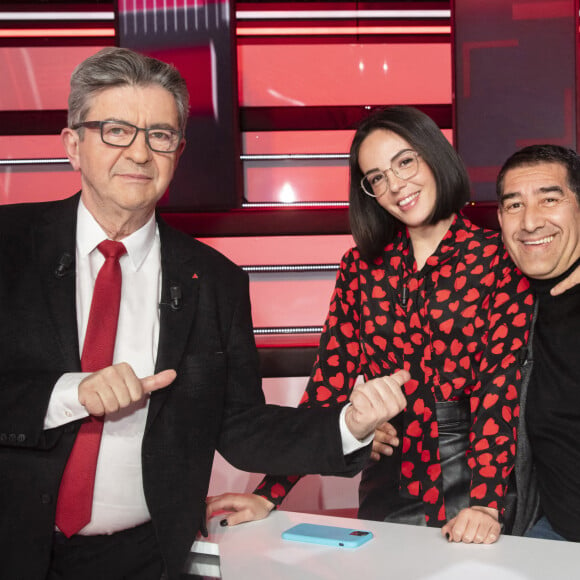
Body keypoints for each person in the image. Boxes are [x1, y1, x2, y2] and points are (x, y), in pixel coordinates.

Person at [0, 47, 411, 580]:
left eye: (160, 135)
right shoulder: (9, 245)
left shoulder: (214, 279)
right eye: (117, 130)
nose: (141, 153)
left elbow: (239, 424)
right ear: (73, 145)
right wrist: (68, 394)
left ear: (179, 150)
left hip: (147, 558)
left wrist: (347, 426)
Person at [207, 106, 534, 544]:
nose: (396, 185)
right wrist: (269, 494)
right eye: (377, 177)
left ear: (434, 156)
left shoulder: (497, 259)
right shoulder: (360, 268)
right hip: (389, 478)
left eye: (405, 161)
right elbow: (327, 387)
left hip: (473, 482)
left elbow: (502, 388)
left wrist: (487, 502)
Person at [496, 144, 580, 541]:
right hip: (553, 532)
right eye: (514, 206)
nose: (530, 222)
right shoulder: (509, 307)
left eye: (549, 199)